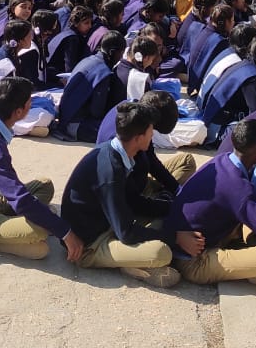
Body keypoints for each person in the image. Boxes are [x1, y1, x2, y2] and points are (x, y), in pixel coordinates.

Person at [165, 117, 256, 290]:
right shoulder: (238, 189)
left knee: (252, 225)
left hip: (199, 237)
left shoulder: (222, 160)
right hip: (194, 261)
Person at [0, 76, 85, 262]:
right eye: (29, 101)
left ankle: (14, 228)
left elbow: (15, 192)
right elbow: (20, 199)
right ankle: (1, 238)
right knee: (40, 233)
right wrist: (65, 232)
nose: (32, 103)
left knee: (45, 185)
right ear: (19, 112)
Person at [61, 101, 184, 288]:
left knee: (165, 219)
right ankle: (128, 263)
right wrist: (176, 238)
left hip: (110, 221)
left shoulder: (120, 154)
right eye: (150, 131)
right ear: (138, 138)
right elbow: (126, 233)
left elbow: (133, 201)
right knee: (161, 252)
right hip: (90, 244)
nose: (152, 135)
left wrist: (174, 206)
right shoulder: (111, 170)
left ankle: (131, 258)